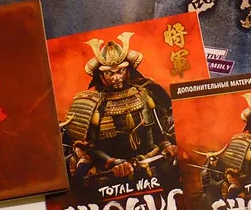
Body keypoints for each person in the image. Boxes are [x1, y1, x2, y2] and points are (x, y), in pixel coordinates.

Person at [62, 32, 177, 187]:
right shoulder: (94, 103)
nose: (117, 78)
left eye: (120, 71)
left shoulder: (145, 93)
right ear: (101, 75)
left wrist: (166, 145)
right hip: (112, 174)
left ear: (128, 70)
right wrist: (113, 163)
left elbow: (156, 131)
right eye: (110, 73)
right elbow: (89, 147)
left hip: (152, 164)